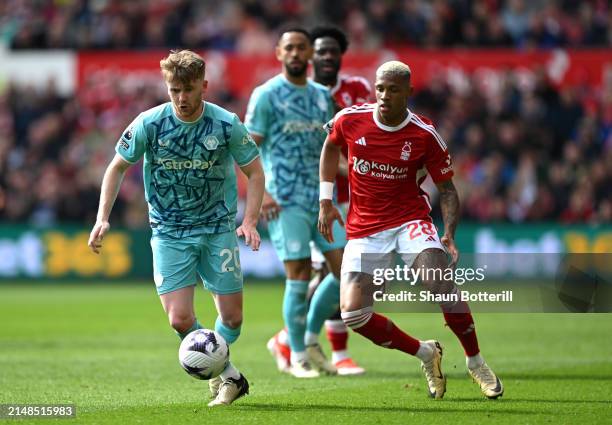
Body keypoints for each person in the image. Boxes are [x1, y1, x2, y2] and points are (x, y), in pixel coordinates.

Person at [87, 50, 265, 406]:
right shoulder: (149, 123)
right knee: (179, 318)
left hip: (217, 228)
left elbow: (255, 171)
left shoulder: (226, 123)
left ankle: (221, 370)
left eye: (188, 89)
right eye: (174, 90)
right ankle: (230, 376)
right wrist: (102, 217)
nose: (181, 98)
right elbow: (116, 167)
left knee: (232, 318)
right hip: (168, 231)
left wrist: (249, 220)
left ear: (204, 86)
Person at [318, 60, 504, 399]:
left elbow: (447, 190)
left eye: (392, 89)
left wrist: (448, 232)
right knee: (354, 315)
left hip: (410, 221)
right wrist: (325, 199)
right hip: (365, 230)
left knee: (440, 283)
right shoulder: (350, 120)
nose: (384, 95)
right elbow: (330, 145)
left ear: (409, 92)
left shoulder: (424, 134)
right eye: (380, 88)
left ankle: (475, 361)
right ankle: (426, 353)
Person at [267, 25, 370, 376]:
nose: (326, 57)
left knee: (346, 273)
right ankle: (312, 345)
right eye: (320, 51)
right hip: (309, 200)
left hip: (347, 201)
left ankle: (295, 339)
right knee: (320, 274)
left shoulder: (357, 91)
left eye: (331, 51)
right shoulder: (284, 95)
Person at [245, 28, 344, 378]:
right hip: (283, 200)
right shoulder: (266, 95)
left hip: (320, 199)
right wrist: (264, 193)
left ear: (310, 55)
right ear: (278, 53)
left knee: (346, 271)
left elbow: (330, 150)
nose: (297, 53)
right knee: (299, 274)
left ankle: (303, 338)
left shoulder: (321, 97)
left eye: (302, 48)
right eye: (290, 48)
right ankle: (298, 355)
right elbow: (247, 148)